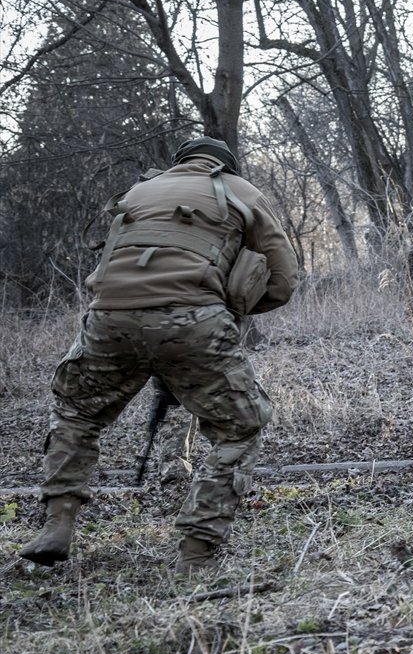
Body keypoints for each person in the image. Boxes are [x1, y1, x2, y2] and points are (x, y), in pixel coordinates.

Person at [18, 136, 300, 576]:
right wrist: (227, 311)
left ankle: (57, 524)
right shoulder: (240, 191)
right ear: (225, 166)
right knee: (239, 427)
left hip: (108, 319)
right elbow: (284, 280)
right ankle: (196, 550)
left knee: (76, 415)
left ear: (180, 164)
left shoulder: (138, 192)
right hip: (193, 321)